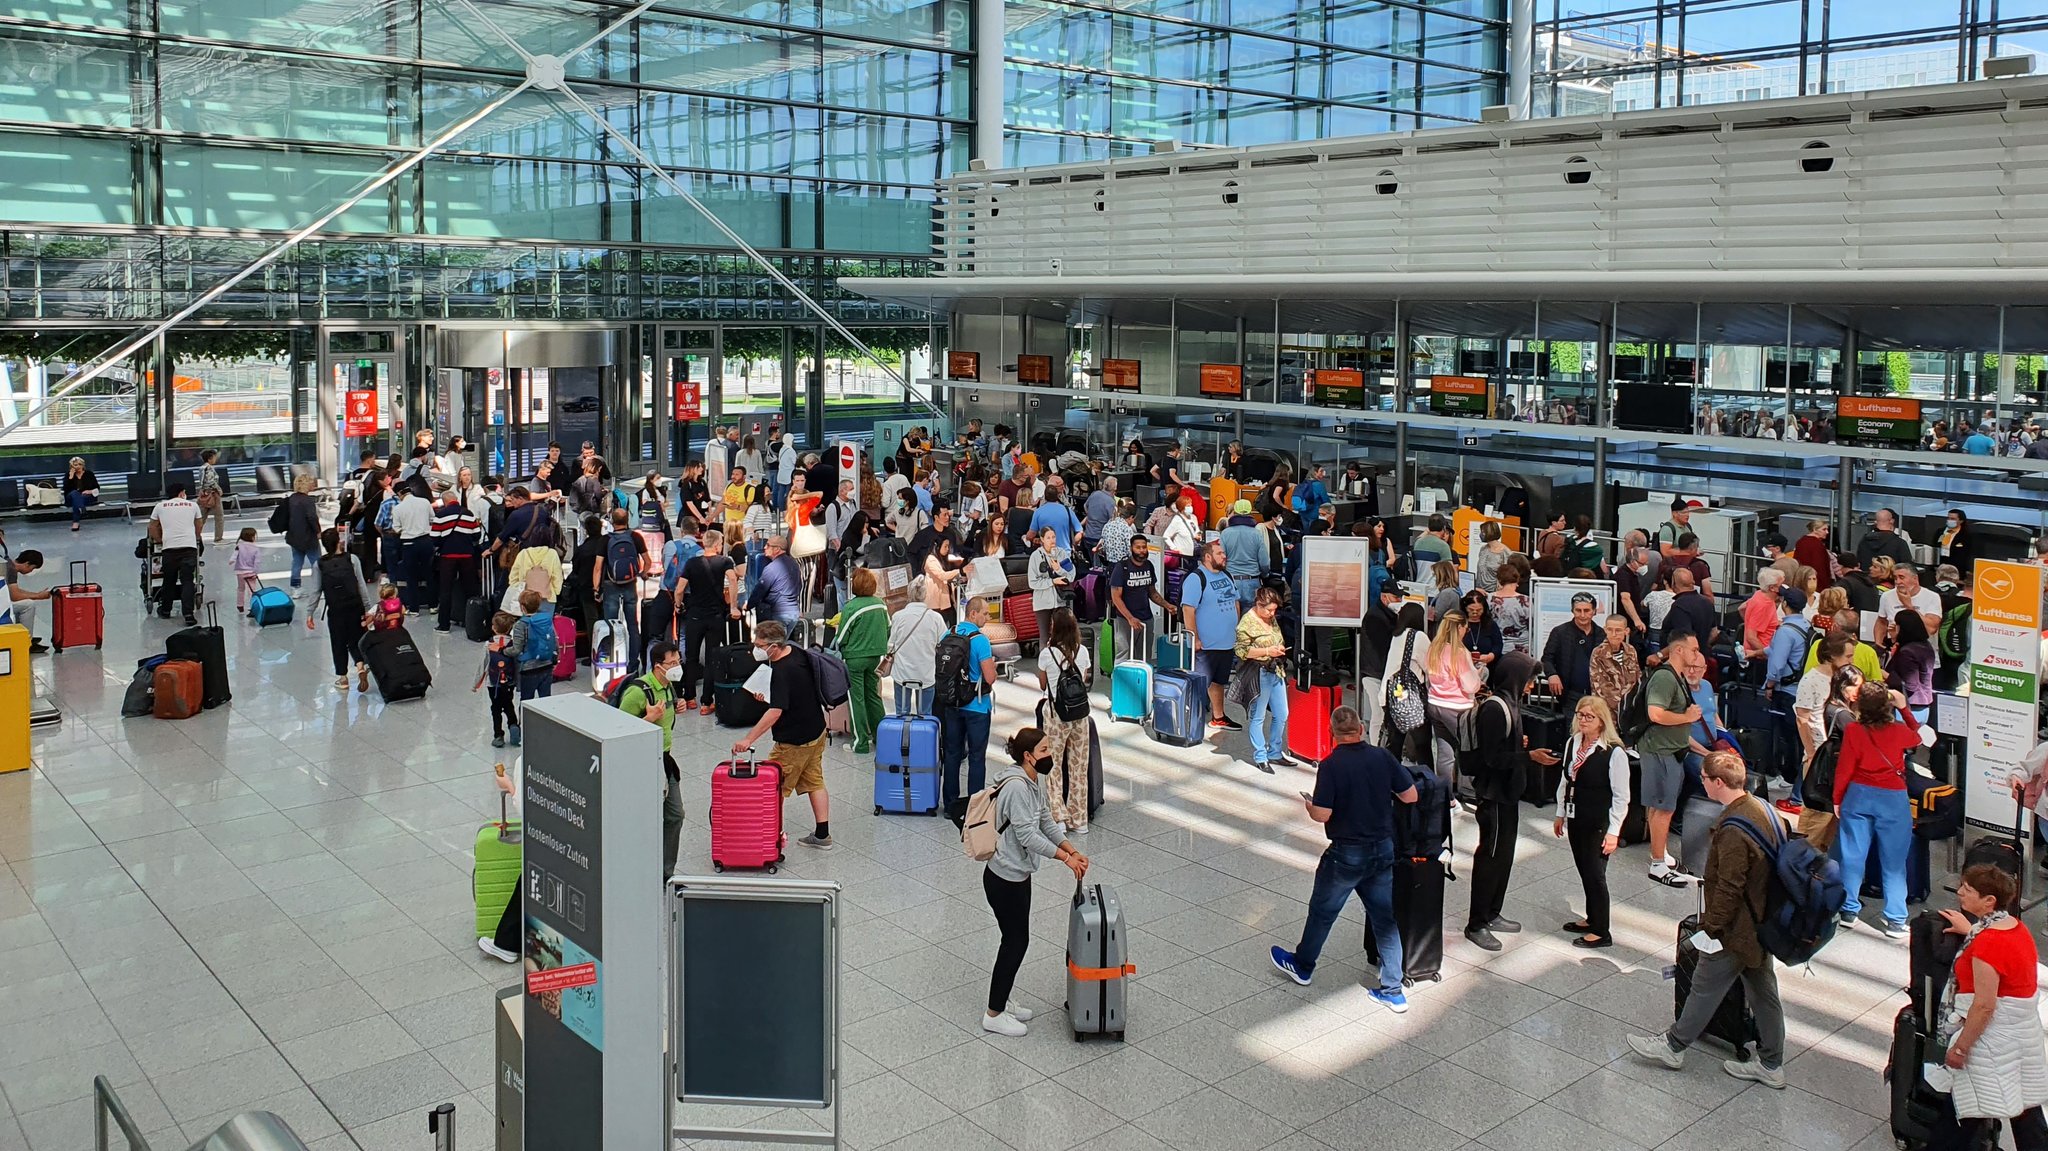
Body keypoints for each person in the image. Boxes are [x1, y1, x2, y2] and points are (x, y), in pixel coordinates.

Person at [1629, 751, 1787, 1089]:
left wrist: (1711, 929)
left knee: (1703, 984)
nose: (1701, 782)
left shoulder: (1733, 828)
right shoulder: (1767, 812)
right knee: (1763, 992)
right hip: (1762, 923)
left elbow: (1730, 886)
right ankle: (1772, 1063)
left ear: (1717, 783)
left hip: (1736, 928)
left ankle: (1673, 1046)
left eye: (1703, 778)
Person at [1268, 706, 1418, 1011]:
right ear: (1361, 729)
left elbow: (1323, 814)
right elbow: (1410, 795)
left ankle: (1303, 965)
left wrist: (1311, 807)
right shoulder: (1382, 757)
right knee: (1384, 920)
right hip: (1382, 850)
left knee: (1323, 911)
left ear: (1331, 733)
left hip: (1346, 855)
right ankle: (1392, 989)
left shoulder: (1332, 765)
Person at [978, 728, 1089, 1037]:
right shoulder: (1016, 788)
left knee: (1014, 939)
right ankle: (994, 1013)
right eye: (1043, 751)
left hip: (1017, 874)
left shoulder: (1032, 780)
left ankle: (1003, 999)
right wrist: (1065, 860)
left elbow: (1045, 822)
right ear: (1027, 756)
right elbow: (1027, 836)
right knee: (1015, 942)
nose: (1049, 756)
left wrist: (1072, 849)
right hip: (1004, 878)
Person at [1936, 863, 2048, 1149]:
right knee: (2022, 1105)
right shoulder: (2014, 927)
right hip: (2020, 1036)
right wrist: (1971, 930)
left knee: (1967, 1105)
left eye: (1968, 890)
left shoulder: (1988, 944)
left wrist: (1961, 1048)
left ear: (1989, 901)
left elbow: (1984, 1005)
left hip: (1993, 1041)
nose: (1960, 892)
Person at [1464, 653, 1557, 951]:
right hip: (1493, 795)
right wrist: (1527, 756)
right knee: (1490, 858)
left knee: (1503, 855)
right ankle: (1476, 922)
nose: (1531, 686)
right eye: (1529, 680)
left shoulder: (1511, 704)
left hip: (1508, 793)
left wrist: (1520, 746)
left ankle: (1492, 911)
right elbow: (1491, 758)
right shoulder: (1495, 708)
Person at [1834, 680, 1931, 937]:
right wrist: (1905, 707)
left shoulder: (1854, 730)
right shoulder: (1898, 730)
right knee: (1894, 862)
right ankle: (1896, 919)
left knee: (1852, 855)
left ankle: (1848, 909)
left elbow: (1845, 767)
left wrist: (1837, 798)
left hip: (1858, 795)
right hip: (1893, 798)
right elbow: (1919, 737)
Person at [731, 620, 833, 850]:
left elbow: (775, 712)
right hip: (816, 731)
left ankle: (770, 837)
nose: (755, 649)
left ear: (773, 646)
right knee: (814, 780)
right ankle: (822, 834)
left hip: (793, 741)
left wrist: (748, 739)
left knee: (772, 787)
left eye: (760, 645)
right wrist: (769, 696)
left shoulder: (782, 672)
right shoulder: (795, 652)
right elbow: (791, 695)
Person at [1554, 695, 1630, 948]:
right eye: (1580, 715)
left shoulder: (1614, 752)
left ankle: (1601, 929)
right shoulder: (1573, 742)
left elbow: (1621, 796)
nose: (1584, 720)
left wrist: (1614, 832)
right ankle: (1591, 917)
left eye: (1590, 716)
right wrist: (1560, 812)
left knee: (1596, 873)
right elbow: (1566, 780)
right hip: (1577, 817)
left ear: (1601, 721)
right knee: (1584, 869)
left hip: (1599, 820)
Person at [617, 640, 687, 877]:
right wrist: (648, 719)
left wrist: (675, 706)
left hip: (665, 759)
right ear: (658, 666)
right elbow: (618, 730)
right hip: (643, 763)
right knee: (647, 821)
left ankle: (666, 872)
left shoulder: (668, 685)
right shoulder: (638, 691)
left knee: (676, 815)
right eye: (673, 663)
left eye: (679, 661)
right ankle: (643, 871)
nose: (678, 666)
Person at [1639, 630, 1702, 886]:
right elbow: (1656, 714)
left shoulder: (1677, 676)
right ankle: (1657, 864)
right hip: (1661, 751)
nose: (1697, 655)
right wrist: (1687, 717)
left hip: (1670, 750)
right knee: (1664, 808)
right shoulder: (1665, 678)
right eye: (1694, 650)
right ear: (1679, 650)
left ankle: (1659, 851)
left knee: (1660, 806)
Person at [1034, 609, 1093, 834]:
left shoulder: (1047, 654)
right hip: (1079, 715)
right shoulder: (1083, 651)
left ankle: (1058, 818)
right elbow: (1084, 679)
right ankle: (1079, 821)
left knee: (1053, 766)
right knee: (1078, 766)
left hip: (1056, 715)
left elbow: (1042, 685)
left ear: (1054, 627)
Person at [939, 600, 1000, 809]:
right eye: (985, 613)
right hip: (977, 706)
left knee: (952, 752)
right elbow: (990, 678)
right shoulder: (980, 640)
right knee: (976, 756)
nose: (988, 617)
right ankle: (976, 806)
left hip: (952, 703)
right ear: (973, 614)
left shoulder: (949, 633)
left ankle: (950, 804)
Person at [679, 529, 741, 714]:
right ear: (717, 545)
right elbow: (732, 578)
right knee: (712, 658)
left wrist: (678, 605)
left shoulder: (691, 563)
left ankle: (689, 697)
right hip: (715, 616)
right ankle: (706, 702)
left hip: (694, 615)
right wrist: (733, 606)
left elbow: (680, 588)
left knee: (691, 657)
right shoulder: (724, 561)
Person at [1185, 540, 1243, 731]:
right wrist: (1195, 639)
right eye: (1219, 553)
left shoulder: (1226, 575)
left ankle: (1218, 717)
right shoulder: (1196, 579)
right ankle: (1189, 722)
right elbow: (1188, 610)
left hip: (1226, 642)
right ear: (1208, 557)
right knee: (1200, 685)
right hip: (1206, 646)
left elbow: (1235, 601)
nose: (1224, 556)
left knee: (1219, 681)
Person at [1234, 586, 1292, 774]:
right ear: (1258, 605)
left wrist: (1279, 649)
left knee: (1282, 713)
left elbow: (1277, 637)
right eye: (1268, 610)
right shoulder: (1246, 623)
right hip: (1258, 672)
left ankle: (1275, 751)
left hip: (1275, 669)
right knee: (1258, 716)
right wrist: (1267, 651)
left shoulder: (1271, 618)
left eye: (1274, 610)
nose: (1272, 613)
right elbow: (1241, 651)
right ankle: (1260, 755)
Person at [306, 528, 371, 693]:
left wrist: (309, 613)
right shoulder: (352, 559)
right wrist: (368, 607)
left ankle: (343, 678)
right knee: (357, 637)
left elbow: (315, 590)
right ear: (339, 541)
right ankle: (361, 666)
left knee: (338, 641)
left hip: (336, 609)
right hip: (355, 605)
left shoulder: (319, 564)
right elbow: (361, 585)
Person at [1423, 611, 1482, 782]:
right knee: (1469, 749)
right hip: (1458, 707)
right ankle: (1470, 791)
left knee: (1445, 753)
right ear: (1460, 628)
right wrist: (1478, 674)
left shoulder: (1434, 647)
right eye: (1466, 628)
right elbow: (1470, 685)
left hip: (1435, 703)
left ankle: (1446, 799)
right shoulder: (1459, 652)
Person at [835, 568, 889, 754]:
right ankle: (882, 738)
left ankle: (860, 742)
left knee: (856, 699)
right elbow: (888, 629)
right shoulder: (880, 605)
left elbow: (842, 636)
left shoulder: (851, 607)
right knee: (874, 696)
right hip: (875, 657)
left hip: (854, 659)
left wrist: (843, 648)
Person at [594, 508, 650, 672]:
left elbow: (598, 568)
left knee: (610, 625)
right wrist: (643, 573)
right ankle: (633, 664)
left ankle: (611, 662)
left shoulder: (605, 540)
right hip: (630, 584)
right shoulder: (635, 537)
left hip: (611, 585)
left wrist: (596, 589)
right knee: (632, 625)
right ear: (627, 520)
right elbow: (647, 561)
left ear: (612, 521)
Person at [884, 578, 947, 714]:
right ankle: (924, 735)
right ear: (925, 595)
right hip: (926, 673)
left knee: (901, 713)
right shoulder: (936, 618)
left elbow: (891, 645)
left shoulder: (898, 616)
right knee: (925, 714)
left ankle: (903, 734)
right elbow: (943, 643)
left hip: (902, 672)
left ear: (908, 595)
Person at [430, 485, 484, 632]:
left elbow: (434, 539)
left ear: (445, 502)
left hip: (448, 558)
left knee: (445, 590)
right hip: (467, 556)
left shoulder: (440, 515)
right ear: (456, 500)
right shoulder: (468, 513)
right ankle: (471, 622)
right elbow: (476, 535)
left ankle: (444, 625)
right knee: (470, 589)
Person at [149, 481, 203, 624]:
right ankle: (188, 615)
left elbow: (152, 527)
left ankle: (166, 610)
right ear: (181, 493)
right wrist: (195, 537)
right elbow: (199, 524)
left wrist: (160, 540)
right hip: (189, 548)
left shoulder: (160, 506)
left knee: (169, 581)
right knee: (187, 581)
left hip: (169, 549)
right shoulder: (193, 505)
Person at [1108, 534, 1166, 665]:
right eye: (1138, 547)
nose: (1141, 550)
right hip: (1125, 619)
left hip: (1146, 617)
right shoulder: (1121, 567)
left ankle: (1142, 682)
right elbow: (1116, 597)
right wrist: (1130, 618)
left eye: (1144, 547)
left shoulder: (1149, 566)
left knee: (1145, 655)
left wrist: (1167, 605)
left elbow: (1152, 592)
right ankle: (1120, 682)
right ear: (1131, 549)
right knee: (1124, 652)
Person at [1541, 591, 1600, 713]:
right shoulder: (1559, 632)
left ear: (1594, 611)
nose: (1582, 615)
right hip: (1570, 694)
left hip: (1596, 695)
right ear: (1572, 611)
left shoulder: (1602, 634)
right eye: (1578, 610)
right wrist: (1552, 675)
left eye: (1587, 610)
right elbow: (1547, 658)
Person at [473, 611, 520, 747]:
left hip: (493, 684)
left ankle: (498, 735)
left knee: (496, 708)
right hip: (509, 682)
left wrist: (476, 684)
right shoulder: (512, 645)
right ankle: (513, 725)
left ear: (493, 628)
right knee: (509, 705)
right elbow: (517, 665)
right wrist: (516, 682)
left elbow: (483, 665)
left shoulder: (489, 645)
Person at [507, 588, 559, 703]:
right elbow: (555, 641)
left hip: (528, 668)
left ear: (522, 607)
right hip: (547, 665)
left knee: (526, 701)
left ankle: (526, 721)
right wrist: (555, 659)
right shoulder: (546, 620)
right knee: (546, 700)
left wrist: (503, 651)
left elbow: (516, 649)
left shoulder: (520, 625)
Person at [1588, 612, 1641, 721]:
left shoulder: (1631, 650)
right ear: (1605, 630)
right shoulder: (1599, 653)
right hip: (1607, 712)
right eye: (1610, 630)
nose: (1614, 634)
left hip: (1630, 711)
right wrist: (1624, 707)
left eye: (1618, 630)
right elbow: (1603, 687)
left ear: (1626, 631)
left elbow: (1637, 677)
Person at [747, 532, 802, 638]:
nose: (764, 547)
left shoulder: (772, 568)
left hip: (778, 613)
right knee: (784, 644)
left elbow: (760, 590)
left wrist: (749, 605)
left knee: (772, 647)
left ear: (777, 549)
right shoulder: (794, 564)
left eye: (768, 545)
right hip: (793, 612)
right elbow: (799, 585)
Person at [1876, 562, 1943, 648]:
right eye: (1895, 578)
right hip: (1896, 650)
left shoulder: (1932, 597)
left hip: (1924, 652)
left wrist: (1909, 606)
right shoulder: (1887, 596)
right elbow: (1881, 621)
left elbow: (1931, 629)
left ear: (1915, 579)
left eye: (1902, 577)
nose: (1898, 582)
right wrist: (1878, 641)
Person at [1026, 525, 1073, 640]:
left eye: (1053, 537)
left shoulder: (1061, 553)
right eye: (1048, 537)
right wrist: (1052, 581)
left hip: (1060, 600)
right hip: (1042, 601)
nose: (1052, 540)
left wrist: (1059, 569)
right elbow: (1032, 582)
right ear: (1042, 539)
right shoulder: (1036, 556)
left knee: (1062, 635)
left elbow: (1071, 575)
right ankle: (1044, 657)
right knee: (1044, 636)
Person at [2, 549, 48, 653]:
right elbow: (15, 596)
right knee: (28, 605)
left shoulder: (8, 563)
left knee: (24, 603)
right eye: (32, 568)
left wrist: (36, 594)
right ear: (27, 564)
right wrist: (38, 596)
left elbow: (15, 591)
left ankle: (22, 635)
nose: (31, 571)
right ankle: (27, 642)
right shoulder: (11, 570)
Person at [1460, 589, 1502, 668]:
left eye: (1479, 610)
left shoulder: (1491, 624)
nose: (1475, 613)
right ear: (1465, 608)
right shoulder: (1459, 624)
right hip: (1463, 666)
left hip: (1489, 666)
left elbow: (1498, 644)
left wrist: (1491, 656)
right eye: (1471, 610)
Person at [197, 447, 227, 545]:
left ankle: (195, 536)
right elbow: (210, 481)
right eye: (214, 457)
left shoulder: (202, 468)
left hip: (203, 494)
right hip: (213, 495)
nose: (215, 459)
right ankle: (218, 538)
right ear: (209, 458)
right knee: (219, 517)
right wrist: (219, 489)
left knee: (201, 517)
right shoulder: (209, 468)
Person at [60, 456, 98, 531]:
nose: (79, 466)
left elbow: (97, 488)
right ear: (72, 466)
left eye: (80, 464)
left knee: (77, 501)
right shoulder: (68, 475)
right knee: (75, 493)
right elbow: (66, 490)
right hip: (70, 497)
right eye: (76, 465)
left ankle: (76, 523)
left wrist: (89, 491)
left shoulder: (89, 474)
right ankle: (82, 509)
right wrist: (70, 477)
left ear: (83, 465)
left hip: (86, 497)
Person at [1794, 519, 1833, 591]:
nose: (1827, 532)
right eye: (1824, 529)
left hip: (1802, 581)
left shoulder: (1800, 541)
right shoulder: (1817, 545)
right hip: (1817, 584)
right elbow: (1820, 567)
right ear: (1815, 529)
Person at [1472, 521, 1511, 592]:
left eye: (1483, 532)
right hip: (1479, 590)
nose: (1480, 534)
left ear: (1489, 532)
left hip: (1494, 592)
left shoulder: (1506, 552)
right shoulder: (1483, 549)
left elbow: (1507, 574)